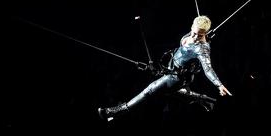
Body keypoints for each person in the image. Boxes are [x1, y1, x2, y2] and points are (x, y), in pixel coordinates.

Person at [98, 15, 231, 119]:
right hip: (173, 66)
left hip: (178, 77)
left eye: (200, 35)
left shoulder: (202, 49)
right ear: (192, 26)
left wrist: (218, 84)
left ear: (205, 34)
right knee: (168, 91)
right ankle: (205, 100)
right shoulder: (194, 33)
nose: (195, 37)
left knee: (150, 90)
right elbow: (192, 38)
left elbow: (208, 69)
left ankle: (115, 112)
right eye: (194, 33)